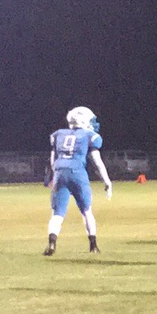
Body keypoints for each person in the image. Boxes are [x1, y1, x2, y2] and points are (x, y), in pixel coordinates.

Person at [44, 106, 113, 255]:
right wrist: (107, 181)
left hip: (60, 173)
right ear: (84, 120)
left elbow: (52, 161)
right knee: (86, 211)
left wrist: (53, 176)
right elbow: (97, 163)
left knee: (57, 213)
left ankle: (52, 243)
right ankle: (93, 245)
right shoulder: (89, 136)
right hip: (77, 173)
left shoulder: (58, 135)